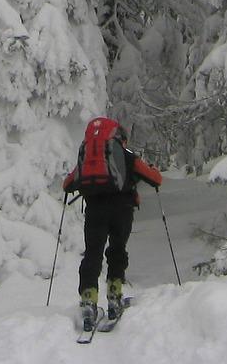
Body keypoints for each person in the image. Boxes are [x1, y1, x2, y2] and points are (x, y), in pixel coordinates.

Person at [61, 117, 163, 330]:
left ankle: (89, 299)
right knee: (117, 251)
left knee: (92, 254)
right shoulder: (126, 156)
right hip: (122, 211)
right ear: (121, 138)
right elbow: (155, 179)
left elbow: (67, 184)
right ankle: (114, 296)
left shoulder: (88, 157)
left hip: (94, 211)